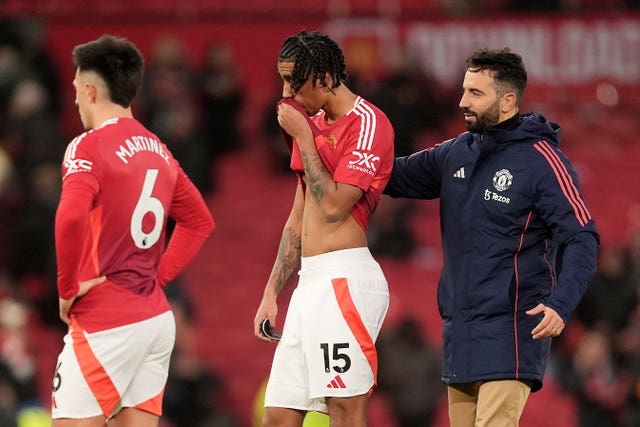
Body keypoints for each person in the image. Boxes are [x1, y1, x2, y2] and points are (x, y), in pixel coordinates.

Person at [383, 47, 600, 426]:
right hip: (460, 335)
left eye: (476, 93)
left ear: (508, 100)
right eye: (465, 89)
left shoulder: (542, 160)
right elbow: (389, 175)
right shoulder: (455, 153)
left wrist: (561, 304)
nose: (462, 100)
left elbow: (582, 237)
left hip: (510, 332)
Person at [50, 35, 215, 427]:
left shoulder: (86, 147)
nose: (74, 101)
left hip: (106, 319)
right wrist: (158, 278)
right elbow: (199, 221)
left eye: (76, 90)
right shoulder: (159, 149)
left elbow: (70, 215)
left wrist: (67, 288)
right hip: (155, 319)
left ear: (90, 89)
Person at [253, 30, 395, 427]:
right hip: (309, 284)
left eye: (292, 82)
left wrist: (303, 136)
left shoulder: (369, 124)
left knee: (344, 413)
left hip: (345, 280)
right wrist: (271, 292)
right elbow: (300, 212)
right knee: (279, 415)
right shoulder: (311, 122)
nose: (285, 92)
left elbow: (333, 206)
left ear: (322, 78)